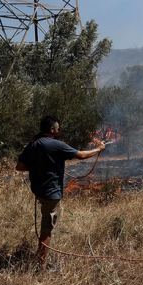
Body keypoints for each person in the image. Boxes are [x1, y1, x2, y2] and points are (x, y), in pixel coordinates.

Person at [16, 115, 105, 268]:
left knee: (46, 225)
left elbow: (20, 166)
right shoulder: (56, 145)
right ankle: (40, 267)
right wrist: (99, 149)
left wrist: (40, 166)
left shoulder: (32, 144)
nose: (59, 130)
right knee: (46, 231)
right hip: (51, 193)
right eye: (58, 128)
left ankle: (40, 260)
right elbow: (82, 155)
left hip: (39, 191)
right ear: (52, 129)